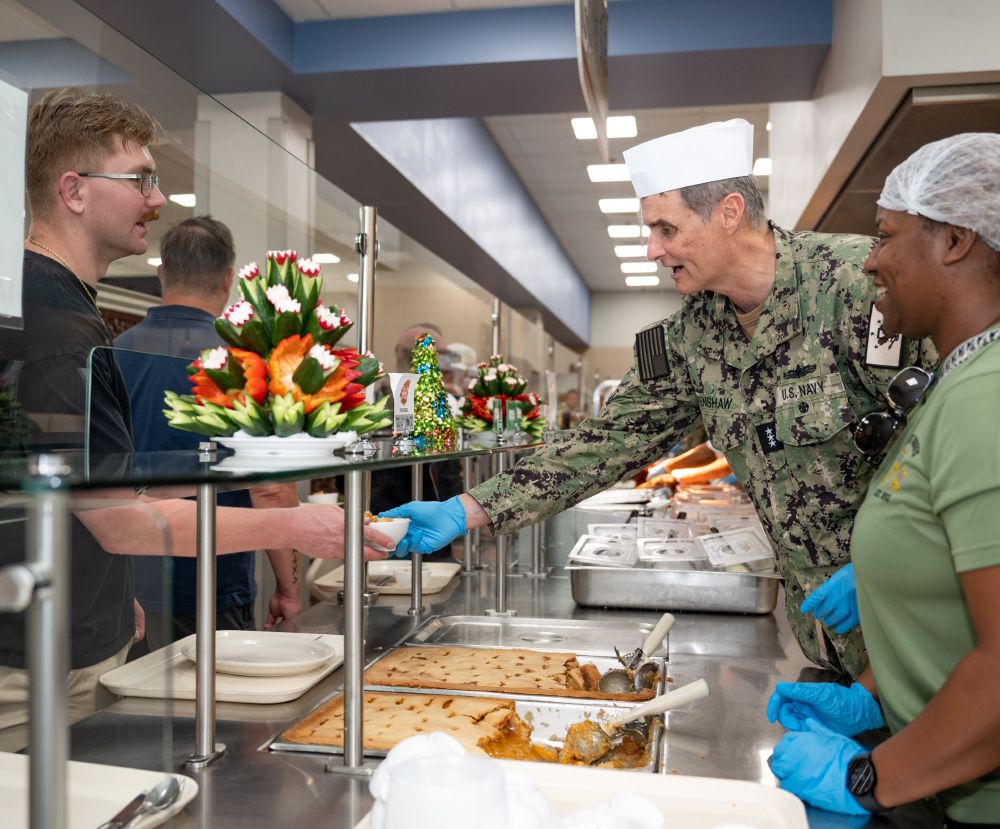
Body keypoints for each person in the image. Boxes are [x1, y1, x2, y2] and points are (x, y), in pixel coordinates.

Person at [383, 118, 936, 680]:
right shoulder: (688, 338)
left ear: (728, 212)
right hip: (824, 637)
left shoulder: (857, 283)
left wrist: (883, 563)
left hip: (925, 618)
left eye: (665, 229)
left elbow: (954, 432)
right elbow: (606, 442)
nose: (653, 250)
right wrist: (467, 509)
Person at [0, 88, 392, 751]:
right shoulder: (53, 321)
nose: (156, 199)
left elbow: (87, 492)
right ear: (73, 190)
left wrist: (109, 598)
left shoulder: (66, 307)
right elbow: (122, 519)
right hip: (29, 661)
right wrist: (297, 524)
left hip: (76, 633)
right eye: (141, 179)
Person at [767, 133, 1000, 826]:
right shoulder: (949, 384)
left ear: (955, 240)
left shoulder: (985, 398)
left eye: (886, 236)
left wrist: (868, 775)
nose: (870, 260)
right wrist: (874, 695)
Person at [114, 216, 301, 654]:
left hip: (127, 586)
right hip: (216, 583)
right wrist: (289, 588)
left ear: (161, 273)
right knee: (217, 717)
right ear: (228, 278)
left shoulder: (112, 352)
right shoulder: (248, 363)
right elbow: (271, 492)